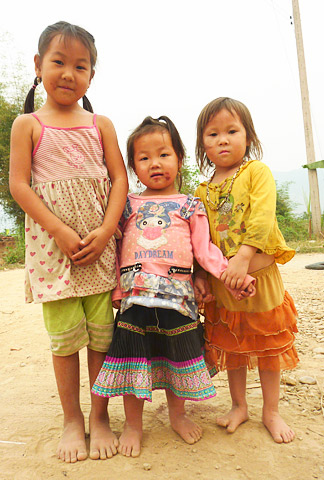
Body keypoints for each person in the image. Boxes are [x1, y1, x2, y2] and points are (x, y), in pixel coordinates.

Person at [91, 115, 255, 458]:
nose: (155, 164)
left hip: (178, 301)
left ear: (179, 158)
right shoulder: (127, 205)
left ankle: (177, 415)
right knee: (134, 362)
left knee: (177, 360)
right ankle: (134, 424)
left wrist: (230, 277)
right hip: (135, 298)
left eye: (164, 154)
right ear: (134, 167)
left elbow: (205, 250)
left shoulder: (189, 205)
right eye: (144, 157)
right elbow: (112, 240)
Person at [9, 21, 128, 463]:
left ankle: (100, 417)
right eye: (58, 61)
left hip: (98, 252)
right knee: (64, 343)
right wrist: (59, 230)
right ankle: (72, 420)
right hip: (54, 253)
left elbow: (119, 178)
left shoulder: (101, 124)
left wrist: (106, 229)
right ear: (39, 66)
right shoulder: (28, 124)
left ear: (91, 76)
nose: (68, 73)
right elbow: (19, 185)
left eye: (80, 65)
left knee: (101, 339)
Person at [193, 97, 299, 444]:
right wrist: (202, 276)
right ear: (202, 145)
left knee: (268, 347)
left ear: (248, 137)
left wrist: (243, 258)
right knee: (233, 347)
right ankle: (239, 405)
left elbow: (262, 215)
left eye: (231, 131)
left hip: (260, 276)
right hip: (225, 284)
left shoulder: (256, 172)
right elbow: (202, 239)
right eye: (212, 134)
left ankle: (271, 411)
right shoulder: (203, 190)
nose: (222, 139)